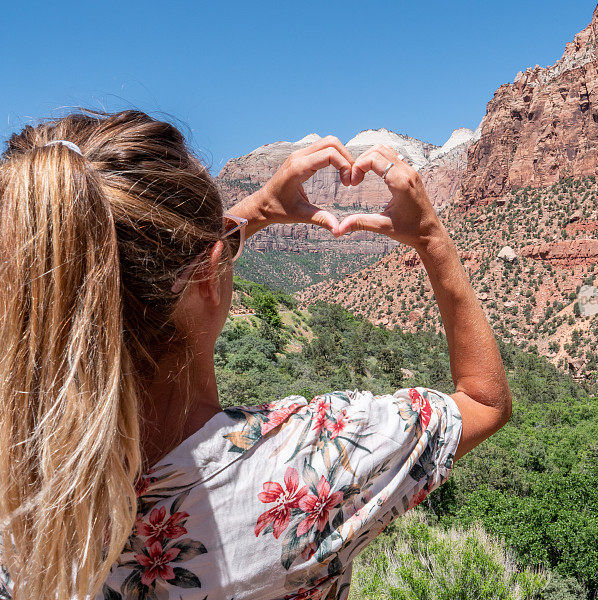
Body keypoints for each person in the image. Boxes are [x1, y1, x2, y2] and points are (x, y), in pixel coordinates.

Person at [0, 110, 511, 600]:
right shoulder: (310, 469)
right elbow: (484, 400)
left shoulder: (19, 480)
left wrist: (250, 215)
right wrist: (431, 238)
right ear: (207, 275)